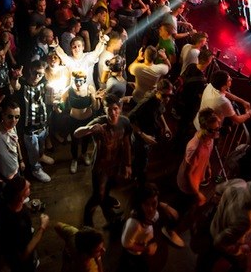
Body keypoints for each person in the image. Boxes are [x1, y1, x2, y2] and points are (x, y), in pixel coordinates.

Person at [74, 94, 132, 228]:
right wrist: (88, 129)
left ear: (120, 108)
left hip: (115, 165)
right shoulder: (99, 122)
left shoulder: (125, 122)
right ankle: (87, 220)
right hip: (100, 167)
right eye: (109, 109)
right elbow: (76, 133)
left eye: (115, 109)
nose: (113, 113)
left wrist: (128, 164)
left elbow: (127, 144)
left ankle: (109, 214)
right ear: (104, 110)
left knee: (107, 189)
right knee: (97, 196)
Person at [197, 179, 251, 272]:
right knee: (241, 265)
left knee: (204, 261)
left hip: (214, 223)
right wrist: (246, 248)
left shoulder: (239, 183)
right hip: (217, 237)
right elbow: (220, 243)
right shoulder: (245, 221)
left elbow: (218, 189)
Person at [175, 109, 221, 236]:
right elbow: (187, 174)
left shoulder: (210, 138)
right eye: (213, 130)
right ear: (203, 128)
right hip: (187, 185)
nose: (217, 132)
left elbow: (206, 155)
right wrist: (197, 194)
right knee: (182, 208)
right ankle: (173, 229)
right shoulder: (195, 148)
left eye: (218, 128)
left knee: (190, 205)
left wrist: (208, 167)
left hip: (195, 180)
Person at [120, 183, 185, 272]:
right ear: (140, 203)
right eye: (146, 204)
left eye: (154, 203)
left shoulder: (154, 211)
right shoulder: (134, 224)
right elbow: (126, 244)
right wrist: (146, 249)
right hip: (137, 255)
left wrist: (166, 206)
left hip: (147, 243)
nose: (151, 209)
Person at [0, 175, 50, 272]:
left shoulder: (0, 201)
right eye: (27, 188)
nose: (29, 185)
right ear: (20, 198)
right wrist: (42, 227)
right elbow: (24, 254)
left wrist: (27, 206)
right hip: (21, 262)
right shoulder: (19, 224)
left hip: (4, 244)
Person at [127, 79, 174, 185]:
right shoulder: (147, 102)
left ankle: (135, 173)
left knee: (141, 158)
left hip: (149, 134)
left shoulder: (160, 100)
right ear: (157, 91)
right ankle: (139, 181)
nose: (167, 99)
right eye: (164, 95)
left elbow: (159, 112)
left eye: (170, 95)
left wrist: (166, 126)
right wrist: (144, 136)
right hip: (140, 138)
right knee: (141, 160)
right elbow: (130, 118)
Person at [64, 70, 102, 174]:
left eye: (80, 81)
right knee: (74, 140)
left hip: (87, 119)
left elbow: (96, 107)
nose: (78, 83)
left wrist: (96, 98)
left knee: (86, 138)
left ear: (84, 80)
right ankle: (74, 159)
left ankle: (84, 153)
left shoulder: (90, 88)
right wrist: (57, 101)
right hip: (74, 119)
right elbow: (62, 102)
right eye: (76, 81)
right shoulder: (69, 89)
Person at [0, 95, 25, 194]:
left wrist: (21, 160)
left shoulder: (13, 127)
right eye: (10, 116)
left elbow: (16, 143)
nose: (13, 120)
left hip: (15, 171)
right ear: (3, 115)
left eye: (17, 117)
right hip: (1, 178)